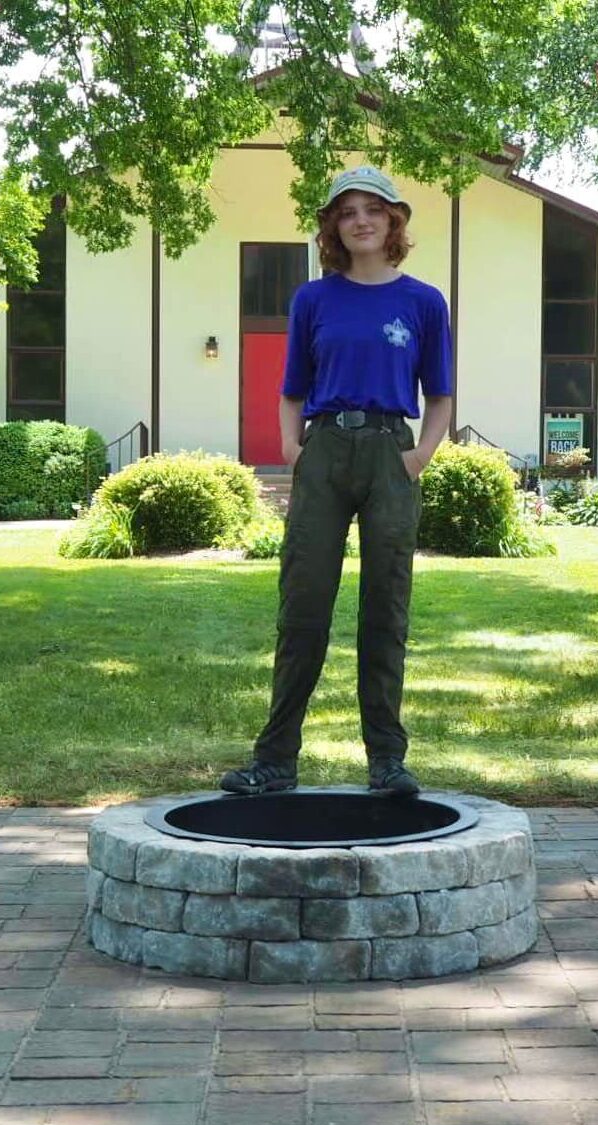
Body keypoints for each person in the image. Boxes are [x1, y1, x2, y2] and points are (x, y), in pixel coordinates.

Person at [221, 164, 453, 796]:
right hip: (324, 453)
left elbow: (439, 397)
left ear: (394, 221)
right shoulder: (313, 300)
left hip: (389, 455)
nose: (361, 221)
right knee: (303, 609)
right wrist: (296, 450)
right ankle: (274, 761)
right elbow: (291, 389)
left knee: (386, 610)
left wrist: (419, 458)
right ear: (332, 226)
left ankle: (386, 762)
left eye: (373, 210)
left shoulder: (424, 302)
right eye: (347, 212)